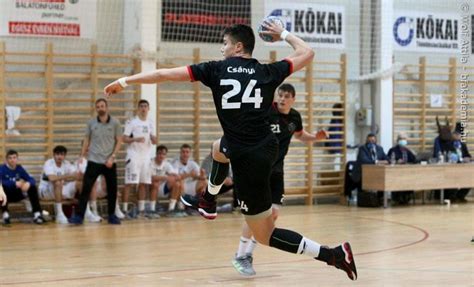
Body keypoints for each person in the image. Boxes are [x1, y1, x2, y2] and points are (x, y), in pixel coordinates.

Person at [104, 23, 357, 280]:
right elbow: (308, 52)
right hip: (262, 147)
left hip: (248, 159)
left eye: (224, 43)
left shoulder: (215, 69)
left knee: (265, 235)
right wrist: (282, 33)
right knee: (218, 147)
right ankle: (208, 201)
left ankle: (333, 255)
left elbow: (164, 74)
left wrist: (125, 81)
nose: (221, 48)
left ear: (237, 47)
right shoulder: (267, 71)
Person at [232, 83, 326, 276]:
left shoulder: (294, 117)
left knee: (273, 215)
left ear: (293, 99)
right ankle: (240, 254)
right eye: (280, 95)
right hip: (258, 170)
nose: (282, 99)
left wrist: (316, 138)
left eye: (286, 96)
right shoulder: (266, 111)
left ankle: (248, 254)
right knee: (256, 215)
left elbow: (300, 135)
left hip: (277, 172)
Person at [69, 98, 122, 225]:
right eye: (98, 107)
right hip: (93, 160)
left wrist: (113, 157)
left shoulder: (115, 123)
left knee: (112, 189)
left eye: (102, 106)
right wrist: (82, 155)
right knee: (86, 188)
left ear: (107, 107)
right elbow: (86, 139)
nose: (100, 108)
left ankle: (111, 215)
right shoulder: (91, 123)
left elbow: (119, 141)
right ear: (96, 109)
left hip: (109, 162)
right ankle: (79, 216)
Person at [39, 145, 100, 224]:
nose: (60, 157)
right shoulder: (49, 163)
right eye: (57, 154)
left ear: (64, 156)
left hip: (60, 189)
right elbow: (52, 178)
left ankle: (86, 211)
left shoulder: (66, 163)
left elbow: (76, 175)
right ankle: (59, 214)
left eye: (62, 154)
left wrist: (81, 174)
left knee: (80, 184)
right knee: (57, 183)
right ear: (54, 155)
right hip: (46, 191)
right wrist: (69, 176)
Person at [121, 99, 157, 218]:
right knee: (129, 183)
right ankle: (125, 210)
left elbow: (155, 141)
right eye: (141, 106)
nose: (143, 108)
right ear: (138, 108)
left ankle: (141, 210)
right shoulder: (132, 122)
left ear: (148, 108)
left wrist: (153, 138)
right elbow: (124, 138)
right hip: (133, 156)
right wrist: (135, 139)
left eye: (145, 106)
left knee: (143, 183)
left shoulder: (150, 123)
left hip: (145, 157)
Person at [0, 150, 46, 225]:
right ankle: (5, 215)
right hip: (6, 195)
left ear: (17, 159)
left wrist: (28, 183)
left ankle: (37, 214)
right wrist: (14, 183)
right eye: (10, 158)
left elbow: (31, 179)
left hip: (17, 194)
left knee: (32, 187)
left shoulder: (19, 168)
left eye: (14, 158)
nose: (12, 160)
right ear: (6, 160)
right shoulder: (2, 169)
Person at [387, 133, 417, 205]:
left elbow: (414, 160)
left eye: (404, 139)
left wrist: (414, 155)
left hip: (407, 172)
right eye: (401, 139)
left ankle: (407, 197)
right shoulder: (393, 150)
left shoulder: (407, 150)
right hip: (396, 173)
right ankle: (398, 198)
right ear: (398, 140)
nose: (403, 141)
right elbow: (389, 159)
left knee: (409, 179)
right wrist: (397, 161)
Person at [150, 145, 180, 216]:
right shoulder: (150, 162)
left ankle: (171, 209)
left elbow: (176, 176)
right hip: (150, 188)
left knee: (177, 184)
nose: (161, 156)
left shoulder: (166, 164)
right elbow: (152, 178)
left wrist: (175, 176)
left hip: (161, 188)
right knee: (155, 184)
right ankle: (152, 210)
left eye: (163, 154)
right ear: (156, 154)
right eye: (159, 153)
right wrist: (166, 177)